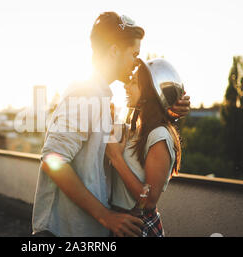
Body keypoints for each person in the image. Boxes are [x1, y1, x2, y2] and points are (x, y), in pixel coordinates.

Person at [32, 12, 190, 237]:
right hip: (62, 232)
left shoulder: (104, 101)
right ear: (114, 51)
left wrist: (172, 110)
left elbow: (138, 137)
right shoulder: (84, 95)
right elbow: (52, 159)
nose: (136, 63)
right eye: (134, 54)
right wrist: (105, 216)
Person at [106, 58, 183, 237]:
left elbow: (149, 199)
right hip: (120, 223)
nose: (126, 86)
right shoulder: (135, 130)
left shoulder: (159, 136)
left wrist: (117, 159)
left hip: (138, 227)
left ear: (150, 92)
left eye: (134, 83)